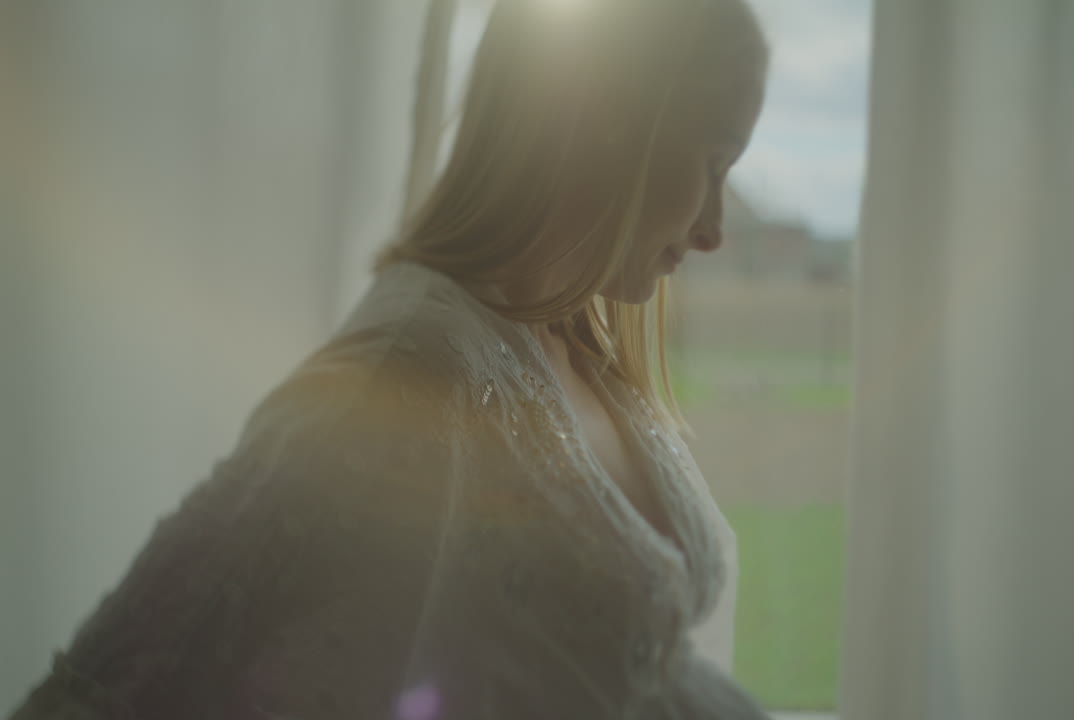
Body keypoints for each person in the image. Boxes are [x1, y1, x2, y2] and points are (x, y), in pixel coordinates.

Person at [8, 0, 767, 717]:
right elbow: (112, 683)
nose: (713, 231)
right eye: (712, 161)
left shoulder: (574, 338)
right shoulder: (405, 372)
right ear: (612, 124)